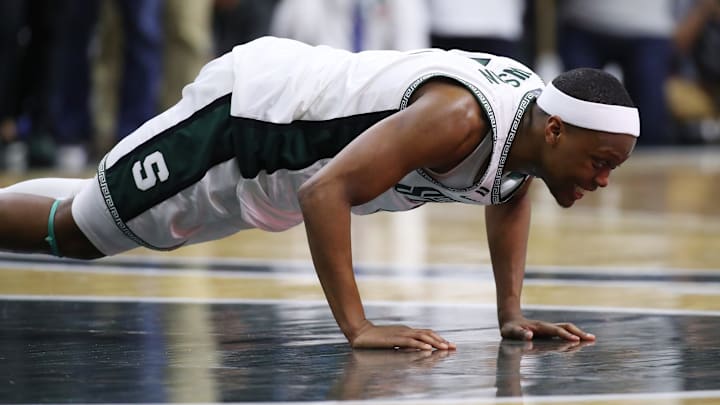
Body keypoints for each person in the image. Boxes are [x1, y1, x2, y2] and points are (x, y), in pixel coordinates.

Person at [0, 37, 639, 350]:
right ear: (555, 130)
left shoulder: (527, 131)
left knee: (94, 205)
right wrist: (358, 327)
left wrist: (510, 312)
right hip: (244, 127)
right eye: (601, 162)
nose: (603, 180)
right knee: (84, 233)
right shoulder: (460, 119)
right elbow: (325, 191)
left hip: (275, 160)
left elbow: (508, 189)